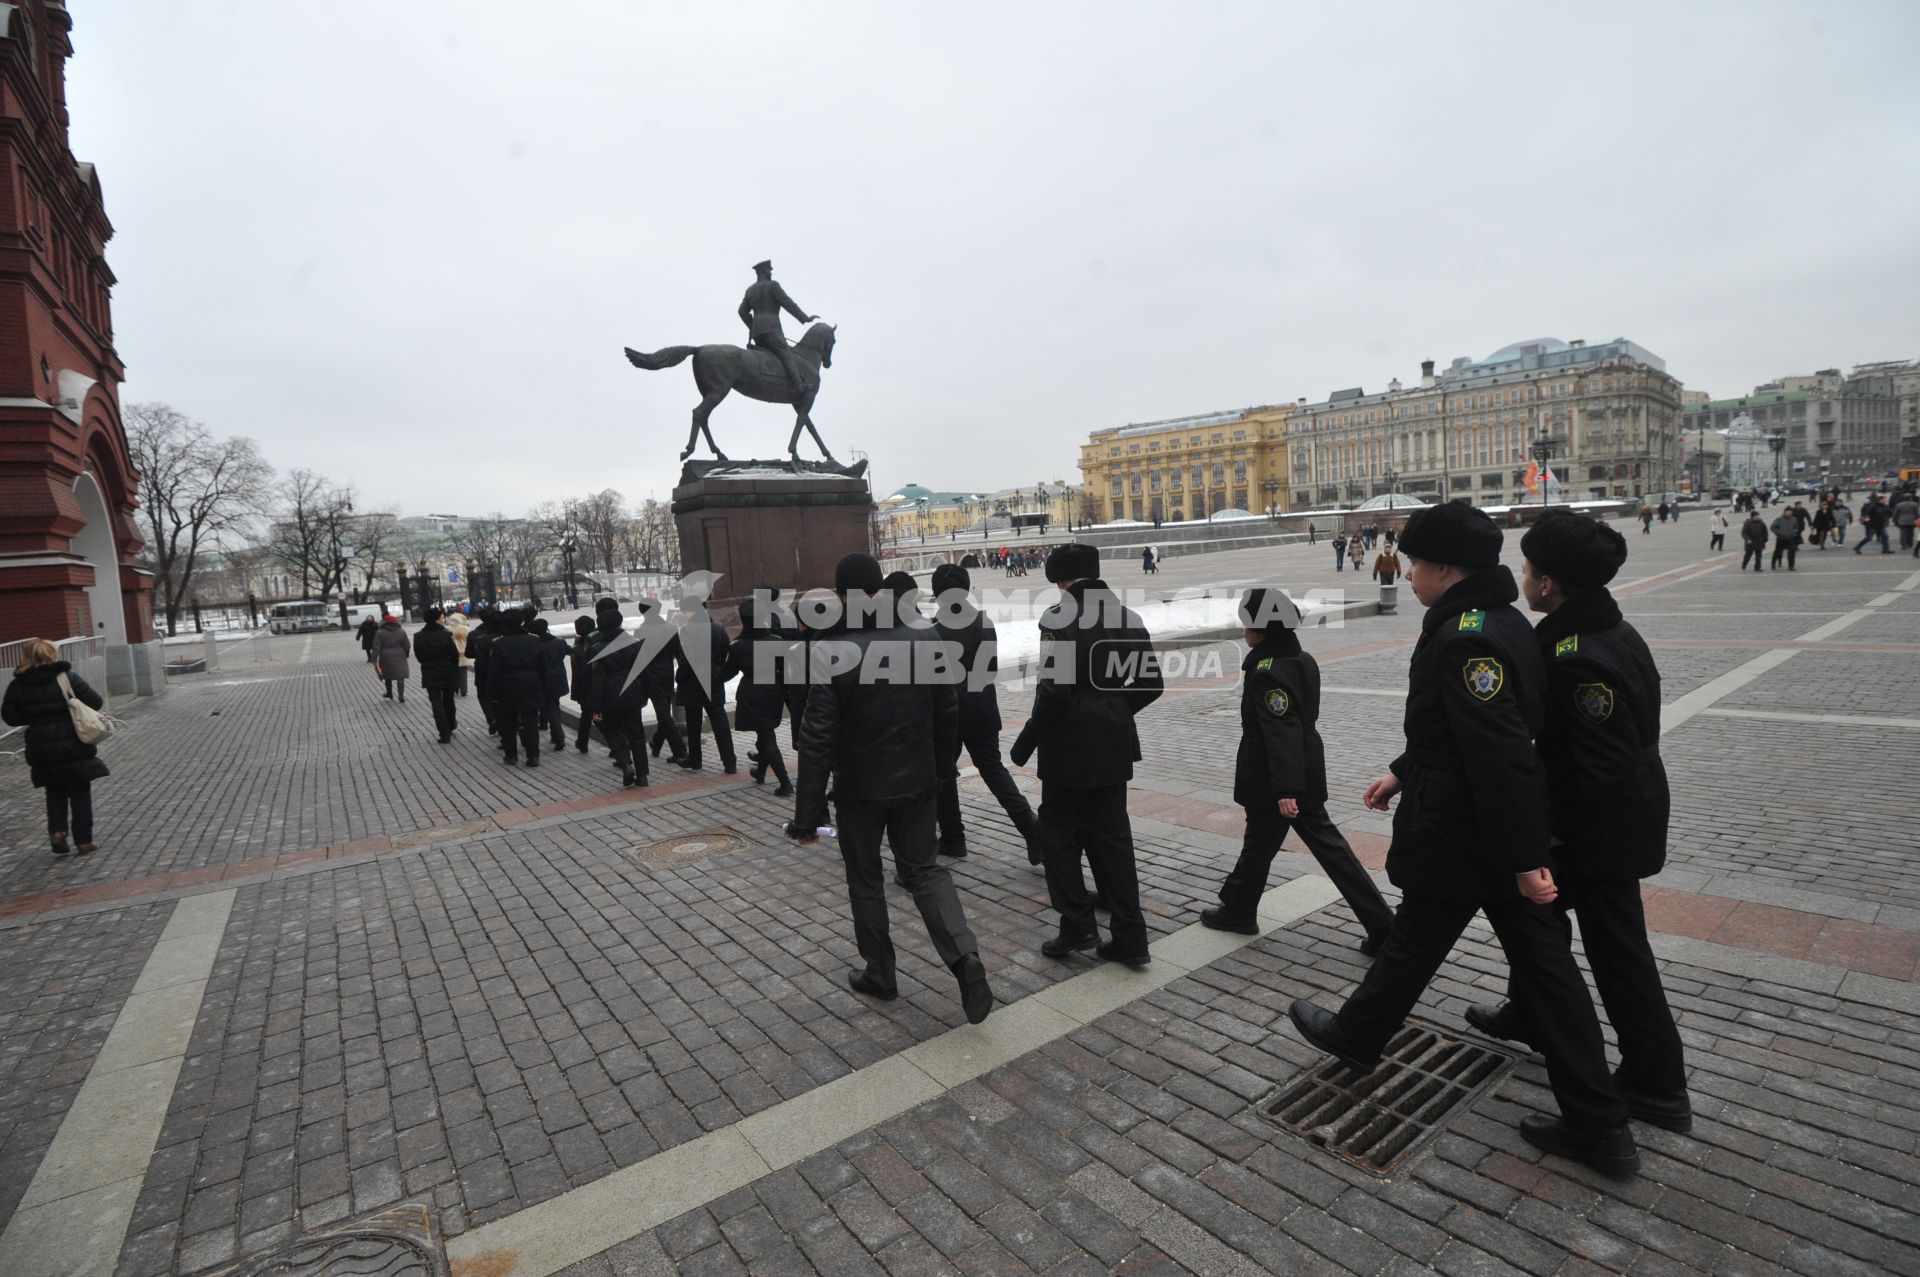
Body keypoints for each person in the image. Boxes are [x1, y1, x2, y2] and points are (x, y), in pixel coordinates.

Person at [1286, 501, 1638, 1179]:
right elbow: (1454, 733)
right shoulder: (1492, 621)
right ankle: (1360, 1035)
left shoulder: (1467, 638)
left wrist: (1526, 858)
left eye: (1415, 563)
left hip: (1471, 835)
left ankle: (1600, 1125)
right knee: (1432, 940)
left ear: (1445, 568)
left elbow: (1501, 753)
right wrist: (1403, 765)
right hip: (1475, 829)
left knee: (1537, 969)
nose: (1408, 573)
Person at [1462, 510, 1691, 1133]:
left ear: (1549, 584)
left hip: (1604, 831)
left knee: (1618, 954)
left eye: (1531, 569)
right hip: (1616, 818)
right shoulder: (1605, 630)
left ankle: (1656, 1083)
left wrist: (1561, 835)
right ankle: (1529, 1013)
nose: (1524, 577)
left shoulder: (1578, 656)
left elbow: (1605, 768)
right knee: (1538, 921)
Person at [788, 552, 994, 1025]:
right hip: (919, 781)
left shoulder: (830, 645)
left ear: (841, 595)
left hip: (860, 788)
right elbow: (947, 710)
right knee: (925, 871)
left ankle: (881, 972)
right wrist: (941, 772)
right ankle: (964, 958)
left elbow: (816, 737)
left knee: (866, 881)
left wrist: (807, 814)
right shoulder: (924, 635)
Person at [1201, 589, 1394, 952]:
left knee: (1325, 850)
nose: (1244, 630)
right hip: (1297, 769)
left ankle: (1384, 926)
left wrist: (1286, 789)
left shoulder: (1267, 671)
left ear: (1261, 630)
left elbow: (1281, 728)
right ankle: (1239, 909)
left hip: (1279, 778)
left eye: (1247, 624)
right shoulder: (1302, 658)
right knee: (1262, 844)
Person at [1010, 543, 1163, 968]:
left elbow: (1055, 690)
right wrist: (1112, 710)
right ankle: (1130, 936)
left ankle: (1076, 924)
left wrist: (1026, 741)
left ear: (1060, 580)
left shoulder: (1059, 619)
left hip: (1068, 749)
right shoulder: (1128, 616)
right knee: (1113, 839)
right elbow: (1152, 684)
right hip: (1114, 746)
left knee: (1059, 838)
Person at [929, 563, 1042, 864]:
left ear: (939, 595)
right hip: (981, 708)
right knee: (993, 769)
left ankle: (953, 837)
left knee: (943, 773)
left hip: (948, 713)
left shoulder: (932, 630)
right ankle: (1030, 828)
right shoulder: (984, 621)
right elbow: (989, 668)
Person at [3, 638, 110, 855]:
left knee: (54, 790)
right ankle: (83, 841)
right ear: (52, 654)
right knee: (80, 790)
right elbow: (95, 701)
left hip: (40, 745)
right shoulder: (65, 678)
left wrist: (33, 715)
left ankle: (57, 832)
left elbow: (10, 717)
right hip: (72, 740)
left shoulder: (18, 685)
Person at [725, 595, 793, 796]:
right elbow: (787, 668)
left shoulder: (738, 645)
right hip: (774, 691)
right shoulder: (777, 641)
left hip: (752, 692)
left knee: (766, 738)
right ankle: (761, 772)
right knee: (764, 733)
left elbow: (727, 673)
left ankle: (786, 783)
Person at [586, 599, 651, 788]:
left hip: (610, 698)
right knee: (637, 734)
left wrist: (595, 706)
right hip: (633, 694)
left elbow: (597, 681)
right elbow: (644, 672)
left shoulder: (597, 649)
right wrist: (646, 694)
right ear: (620, 622)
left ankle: (625, 764)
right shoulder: (635, 644)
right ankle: (643, 775)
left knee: (613, 732)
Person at [674, 596, 737, 772]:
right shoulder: (718, 628)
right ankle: (729, 761)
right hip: (714, 680)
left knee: (693, 724)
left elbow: (686, 660)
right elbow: (727, 652)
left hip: (692, 683)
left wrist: (680, 677)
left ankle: (695, 759)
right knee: (720, 722)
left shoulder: (687, 631)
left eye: (684, 611)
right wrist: (718, 671)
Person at [738, 259, 818, 396]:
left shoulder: (750, 290)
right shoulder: (772, 286)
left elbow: (741, 311)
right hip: (772, 329)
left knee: (771, 356)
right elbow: (788, 304)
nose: (771, 272)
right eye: (769, 270)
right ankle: (799, 386)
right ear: (764, 271)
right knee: (786, 354)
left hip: (757, 333)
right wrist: (805, 318)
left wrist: (752, 326)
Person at [487, 607, 551, 767]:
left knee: (508, 721)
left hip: (507, 685)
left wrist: (492, 694)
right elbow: (542, 665)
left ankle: (511, 755)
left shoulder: (498, 643)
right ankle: (533, 756)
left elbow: (494, 670)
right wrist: (543, 687)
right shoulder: (534, 639)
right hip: (531, 683)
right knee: (530, 720)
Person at [413, 608, 460, 743]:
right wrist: (453, 668)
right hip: (447, 671)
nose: (444, 619)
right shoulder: (445, 635)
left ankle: (444, 733)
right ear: (436, 619)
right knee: (448, 700)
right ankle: (451, 725)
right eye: (442, 617)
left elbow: (419, 656)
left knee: (436, 703)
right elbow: (455, 655)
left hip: (429, 672)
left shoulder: (418, 636)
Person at [531, 617, 571, 751]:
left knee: (551, 708)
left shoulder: (535, 645)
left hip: (542, 680)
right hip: (559, 679)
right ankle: (555, 735)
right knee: (554, 705)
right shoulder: (559, 642)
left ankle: (559, 736)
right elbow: (571, 651)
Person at [568, 616, 596, 752]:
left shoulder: (576, 646)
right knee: (598, 715)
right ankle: (617, 746)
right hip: (596, 686)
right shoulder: (596, 643)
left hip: (582, 688)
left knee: (587, 714)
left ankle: (582, 742)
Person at [375, 614, 411, 701]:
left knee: (387, 676)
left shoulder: (379, 632)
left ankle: (389, 693)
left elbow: (376, 647)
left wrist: (374, 659)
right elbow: (407, 645)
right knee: (400, 676)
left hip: (385, 656)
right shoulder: (401, 631)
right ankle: (401, 696)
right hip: (400, 655)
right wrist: (406, 654)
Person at [446, 609, 473, 697]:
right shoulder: (466, 629)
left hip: (451, 654)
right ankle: (464, 690)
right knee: (463, 673)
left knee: (454, 673)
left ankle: (455, 688)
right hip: (463, 654)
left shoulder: (448, 629)